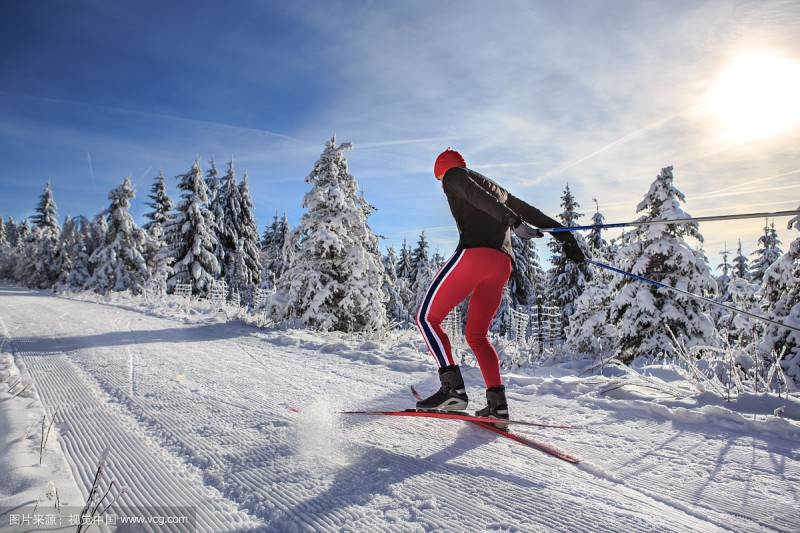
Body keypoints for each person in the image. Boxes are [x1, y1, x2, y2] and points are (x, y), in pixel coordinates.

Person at [415, 148, 585, 424]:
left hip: (475, 256)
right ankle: (497, 405)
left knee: (426, 318)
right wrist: (566, 238)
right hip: (502, 264)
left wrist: (512, 221)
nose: (443, 186)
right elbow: (533, 212)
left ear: (441, 172)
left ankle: (452, 390)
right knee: (477, 336)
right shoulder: (497, 189)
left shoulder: (453, 176)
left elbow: (474, 195)